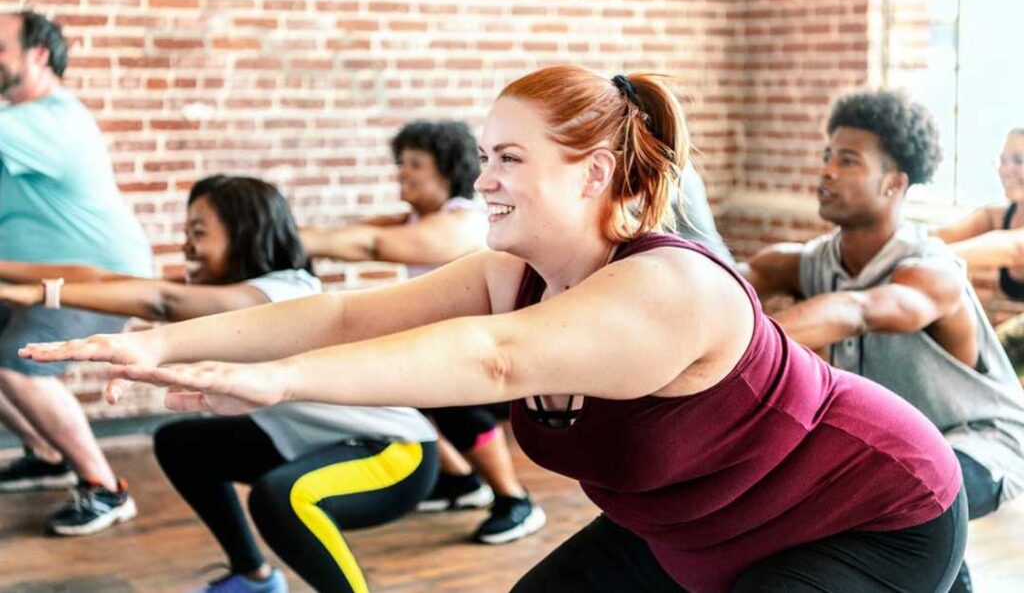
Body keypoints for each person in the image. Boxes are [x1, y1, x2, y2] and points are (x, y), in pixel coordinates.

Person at [24, 66, 967, 593]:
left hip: (867, 512)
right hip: (698, 524)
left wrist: (277, 381)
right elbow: (351, 307)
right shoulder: (513, 273)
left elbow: (494, 356)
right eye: (486, 157)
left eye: (510, 158)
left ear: (595, 173)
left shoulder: (670, 287)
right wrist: (162, 345)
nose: (487, 180)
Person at [2, 174, 439, 593]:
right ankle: (253, 580)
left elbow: (160, 299)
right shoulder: (235, 293)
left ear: (245, 235)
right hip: (314, 443)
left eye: (199, 232)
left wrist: (42, 296)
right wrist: (16, 276)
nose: (186, 245)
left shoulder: (280, 293)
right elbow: (106, 280)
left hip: (392, 455)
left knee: (280, 498)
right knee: (182, 444)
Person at [744, 90, 1024, 593]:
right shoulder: (812, 261)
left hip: (981, 441)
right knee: (885, 493)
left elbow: (858, 309)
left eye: (847, 161)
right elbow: (741, 278)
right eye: (828, 156)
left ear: (895, 183)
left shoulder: (931, 272)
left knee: (901, 495)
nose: (827, 170)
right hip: (895, 451)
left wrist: (739, 345)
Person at [302, 120, 545, 544]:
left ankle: (516, 500)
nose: (402, 172)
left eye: (415, 163)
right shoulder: (416, 217)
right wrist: (284, 235)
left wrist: (290, 239)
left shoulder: (463, 222)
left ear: (446, 171)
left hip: (491, 353)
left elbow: (371, 245)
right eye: (401, 162)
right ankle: (460, 482)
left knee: (449, 403)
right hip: (446, 346)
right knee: (394, 391)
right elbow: (353, 233)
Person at [0, 9, 152, 535]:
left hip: (99, 280)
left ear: (36, 55)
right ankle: (46, 453)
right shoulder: (18, 127)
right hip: (40, 279)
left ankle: (105, 489)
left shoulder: (48, 119)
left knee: (16, 364)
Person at [933, 127, 1024, 378]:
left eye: (1018, 161)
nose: (1007, 169)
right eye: (1003, 160)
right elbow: (942, 235)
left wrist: (931, 258)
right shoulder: (997, 215)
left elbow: (1014, 248)